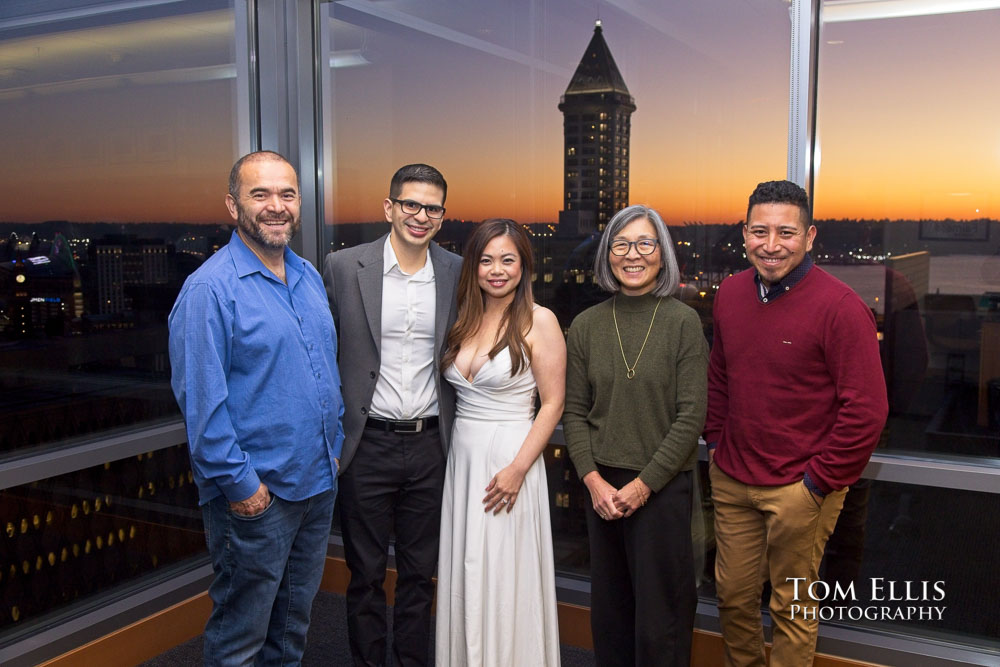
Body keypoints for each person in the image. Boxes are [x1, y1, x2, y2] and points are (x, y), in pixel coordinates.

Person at [168, 151, 343, 665]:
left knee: (291, 628)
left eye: (286, 194)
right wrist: (246, 491)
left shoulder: (307, 276)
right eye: (260, 194)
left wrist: (331, 453)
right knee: (240, 638)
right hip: (256, 497)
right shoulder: (208, 291)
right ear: (232, 205)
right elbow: (203, 410)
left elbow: (321, 371)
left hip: (316, 482)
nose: (276, 206)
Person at [705, 180, 888, 667]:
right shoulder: (729, 294)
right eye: (759, 231)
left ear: (809, 237)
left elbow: (867, 410)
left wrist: (817, 483)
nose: (770, 244)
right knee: (733, 600)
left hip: (800, 490)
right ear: (744, 233)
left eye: (785, 232)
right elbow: (720, 372)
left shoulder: (841, 308)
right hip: (733, 477)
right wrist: (716, 443)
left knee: (792, 609)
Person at [323, 164, 462, 667]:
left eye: (432, 208)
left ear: (442, 217)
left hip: (430, 447)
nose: (420, 216)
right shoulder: (342, 268)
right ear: (389, 208)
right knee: (363, 576)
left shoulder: (457, 272)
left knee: (420, 576)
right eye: (410, 204)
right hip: (365, 447)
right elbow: (322, 353)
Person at [563, 204, 707, 666]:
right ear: (608, 256)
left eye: (645, 244)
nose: (633, 255)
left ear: (662, 255)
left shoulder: (683, 322)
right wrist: (591, 480)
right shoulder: (585, 326)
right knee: (611, 614)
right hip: (601, 488)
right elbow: (575, 411)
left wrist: (643, 487)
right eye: (621, 245)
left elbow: (691, 417)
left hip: (661, 488)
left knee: (660, 622)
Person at [435, 219, 565, 667]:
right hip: (464, 461)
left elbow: (552, 404)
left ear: (523, 265)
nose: (497, 269)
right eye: (487, 260)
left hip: (511, 463)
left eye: (507, 259)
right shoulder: (462, 319)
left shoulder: (539, 320)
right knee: (466, 570)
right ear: (474, 266)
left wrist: (516, 470)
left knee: (507, 577)